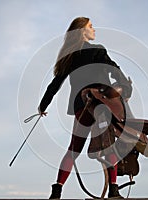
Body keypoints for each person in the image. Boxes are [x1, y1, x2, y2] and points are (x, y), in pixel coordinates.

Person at [38, 17, 132, 199]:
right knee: (109, 145)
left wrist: (43, 106)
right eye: (91, 26)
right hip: (101, 103)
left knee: (73, 149)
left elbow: (54, 85)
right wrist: (124, 85)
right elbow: (113, 68)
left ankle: (56, 191)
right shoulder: (98, 50)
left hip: (82, 105)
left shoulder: (69, 56)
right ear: (82, 31)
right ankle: (113, 189)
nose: (94, 29)